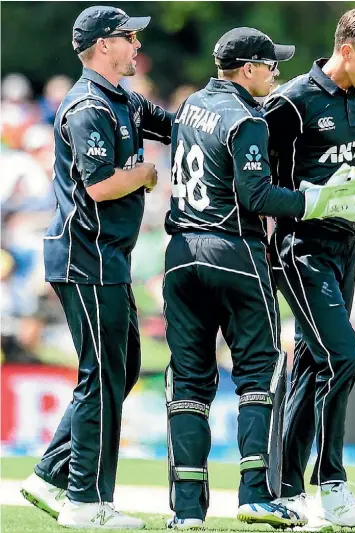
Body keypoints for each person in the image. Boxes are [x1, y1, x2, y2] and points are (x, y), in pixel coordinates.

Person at [163, 27, 355, 530]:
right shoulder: (249, 117)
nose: (276, 73)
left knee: (190, 385)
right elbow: (257, 195)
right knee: (257, 378)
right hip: (235, 251)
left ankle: (188, 512)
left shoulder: (190, 105)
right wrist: (316, 201)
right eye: (269, 65)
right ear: (247, 69)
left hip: (179, 255)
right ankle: (257, 493)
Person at [20, 6, 173, 529]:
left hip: (106, 258)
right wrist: (147, 174)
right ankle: (85, 500)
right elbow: (100, 185)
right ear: (104, 44)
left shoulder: (121, 97)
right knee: (102, 374)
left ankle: (49, 475)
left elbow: (176, 126)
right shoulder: (88, 104)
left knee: (121, 367)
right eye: (129, 37)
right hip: (84, 257)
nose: (136, 45)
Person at [262, 7, 355, 528]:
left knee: (311, 360)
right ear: (346, 50)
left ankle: (286, 490)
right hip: (298, 246)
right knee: (342, 354)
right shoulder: (291, 102)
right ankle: (334, 486)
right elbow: (251, 178)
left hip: (345, 247)